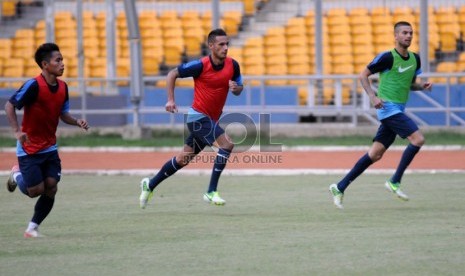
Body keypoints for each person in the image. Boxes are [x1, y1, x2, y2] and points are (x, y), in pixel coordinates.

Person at [329, 21, 433, 209]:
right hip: (387, 109)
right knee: (418, 139)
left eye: (411, 33)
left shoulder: (415, 59)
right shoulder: (387, 57)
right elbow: (363, 75)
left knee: (375, 154)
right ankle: (395, 181)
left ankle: (339, 186)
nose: (408, 36)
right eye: (404, 32)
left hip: (398, 109)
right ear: (395, 36)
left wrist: (421, 86)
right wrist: (372, 96)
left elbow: (409, 84)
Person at [139, 28, 243, 208]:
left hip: (211, 120)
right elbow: (172, 73)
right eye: (221, 44)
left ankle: (150, 184)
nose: (225, 48)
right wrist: (171, 99)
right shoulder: (200, 65)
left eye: (227, 44)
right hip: (197, 118)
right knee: (227, 144)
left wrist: (236, 89)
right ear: (211, 46)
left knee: (182, 160)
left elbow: (239, 87)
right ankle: (211, 191)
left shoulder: (233, 65)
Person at [5, 42, 89, 237]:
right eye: (58, 60)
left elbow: (63, 114)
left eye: (62, 60)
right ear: (45, 64)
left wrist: (77, 122)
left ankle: (32, 228)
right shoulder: (33, 85)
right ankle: (16, 174)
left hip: (50, 147)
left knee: (51, 187)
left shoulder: (63, 87)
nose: (62, 64)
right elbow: (10, 106)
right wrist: (17, 132)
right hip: (29, 148)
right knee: (35, 191)